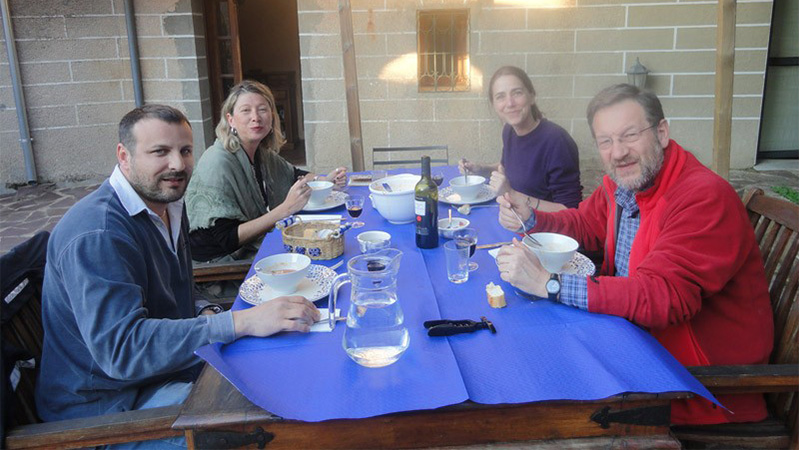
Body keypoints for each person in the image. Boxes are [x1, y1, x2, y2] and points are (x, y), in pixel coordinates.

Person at [35, 105, 320, 446]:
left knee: (290, 372)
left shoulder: (167, 205)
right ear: (123, 156)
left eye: (185, 151)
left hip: (162, 376)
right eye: (160, 152)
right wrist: (238, 323)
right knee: (271, 429)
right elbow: (122, 351)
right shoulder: (98, 234)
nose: (178, 164)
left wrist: (205, 311)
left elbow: (171, 294)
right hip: (106, 413)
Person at [495, 84, 773, 425]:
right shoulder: (625, 182)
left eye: (629, 135)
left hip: (696, 382)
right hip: (633, 339)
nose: (618, 152)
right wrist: (532, 218)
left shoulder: (702, 197)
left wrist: (549, 284)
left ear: (661, 132)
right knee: (523, 354)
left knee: (537, 400)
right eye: (606, 141)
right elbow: (585, 223)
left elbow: (664, 296)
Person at [185, 80, 346, 263]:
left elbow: (293, 174)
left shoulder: (259, 153)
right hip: (222, 265)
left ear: (271, 116)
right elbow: (223, 238)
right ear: (231, 120)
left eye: (262, 109)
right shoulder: (217, 162)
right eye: (246, 110)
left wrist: (324, 180)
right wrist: (285, 209)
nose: (256, 117)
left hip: (249, 250)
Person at [460, 66, 582, 211]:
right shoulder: (509, 131)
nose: (510, 103)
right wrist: (481, 169)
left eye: (517, 93)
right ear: (494, 105)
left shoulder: (557, 141)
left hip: (543, 231)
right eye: (500, 96)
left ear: (531, 96)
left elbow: (570, 210)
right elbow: (507, 167)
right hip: (514, 219)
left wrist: (512, 194)